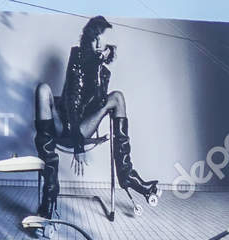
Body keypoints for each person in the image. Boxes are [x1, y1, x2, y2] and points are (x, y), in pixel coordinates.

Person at [32, 15, 158, 223]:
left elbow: (98, 103)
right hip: (65, 126)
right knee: (43, 89)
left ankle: (127, 175)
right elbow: (72, 101)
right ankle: (51, 188)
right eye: (95, 38)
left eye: (103, 40)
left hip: (83, 126)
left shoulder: (101, 69)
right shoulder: (78, 58)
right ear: (88, 38)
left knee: (117, 96)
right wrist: (78, 146)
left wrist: (100, 63)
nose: (99, 44)